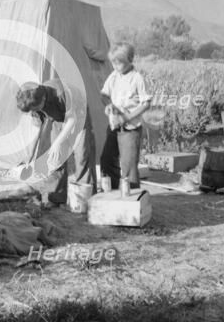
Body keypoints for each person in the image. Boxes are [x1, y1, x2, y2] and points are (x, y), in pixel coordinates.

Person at [16, 78, 96, 207]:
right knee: (55, 158)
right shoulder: (33, 102)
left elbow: (71, 120)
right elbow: (39, 129)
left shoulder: (60, 93)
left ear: (43, 100)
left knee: (82, 155)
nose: (34, 112)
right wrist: (30, 155)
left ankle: (85, 199)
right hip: (57, 119)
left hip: (78, 116)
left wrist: (57, 143)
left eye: (35, 109)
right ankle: (56, 196)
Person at [100, 42, 152, 189]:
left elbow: (146, 103)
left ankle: (132, 198)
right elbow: (104, 95)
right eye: (113, 63)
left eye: (119, 63)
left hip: (131, 129)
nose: (116, 66)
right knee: (107, 159)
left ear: (129, 60)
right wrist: (108, 105)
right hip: (113, 127)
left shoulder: (137, 79)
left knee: (128, 165)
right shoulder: (114, 76)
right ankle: (114, 191)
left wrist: (126, 118)